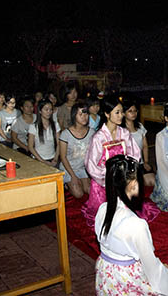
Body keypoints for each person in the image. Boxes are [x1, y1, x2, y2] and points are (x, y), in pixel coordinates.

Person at [95, 155, 168, 296]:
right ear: (133, 185)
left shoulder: (102, 209)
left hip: (106, 276)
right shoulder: (136, 224)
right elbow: (150, 265)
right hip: (125, 278)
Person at [82, 96, 159, 229]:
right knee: (107, 216)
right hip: (104, 182)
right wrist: (109, 178)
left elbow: (134, 154)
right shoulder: (98, 137)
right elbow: (91, 165)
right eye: (117, 112)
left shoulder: (124, 133)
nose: (121, 115)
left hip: (123, 178)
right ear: (107, 114)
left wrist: (126, 174)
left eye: (121, 112)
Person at [59, 101, 94, 198]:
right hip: (68, 168)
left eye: (86, 113)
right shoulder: (65, 134)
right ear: (74, 115)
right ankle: (66, 183)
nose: (84, 116)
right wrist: (73, 176)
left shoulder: (91, 132)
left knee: (89, 190)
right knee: (79, 194)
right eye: (80, 114)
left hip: (82, 167)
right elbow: (63, 157)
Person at [123, 99, 155, 187]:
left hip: (140, 163)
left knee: (152, 181)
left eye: (135, 111)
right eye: (130, 111)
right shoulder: (121, 130)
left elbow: (145, 146)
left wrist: (146, 162)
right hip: (127, 165)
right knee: (134, 185)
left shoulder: (140, 126)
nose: (133, 113)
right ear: (124, 113)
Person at [28, 99, 60, 166]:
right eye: (46, 109)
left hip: (53, 158)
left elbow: (59, 144)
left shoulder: (55, 124)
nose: (49, 112)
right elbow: (30, 147)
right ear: (40, 111)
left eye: (51, 110)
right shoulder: (33, 126)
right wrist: (42, 161)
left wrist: (55, 159)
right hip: (38, 160)